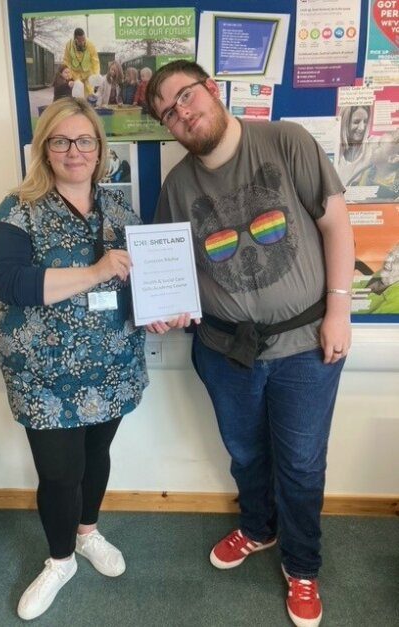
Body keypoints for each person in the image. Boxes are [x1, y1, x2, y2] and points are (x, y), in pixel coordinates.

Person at [145, 61, 354, 627]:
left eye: (185, 96)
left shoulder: (285, 142)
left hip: (305, 346)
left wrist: (340, 310)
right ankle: (259, 530)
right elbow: (173, 269)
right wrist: (164, 310)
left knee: (303, 464)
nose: (181, 112)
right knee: (246, 454)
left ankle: (303, 565)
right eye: (168, 111)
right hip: (223, 351)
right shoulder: (178, 185)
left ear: (211, 89)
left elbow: (337, 224)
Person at [0, 97, 148, 621]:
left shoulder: (120, 209)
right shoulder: (18, 207)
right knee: (60, 473)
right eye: (61, 140)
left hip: (112, 365)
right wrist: (97, 272)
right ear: (44, 149)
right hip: (45, 373)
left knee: (95, 458)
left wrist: (161, 308)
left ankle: (87, 534)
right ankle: (60, 561)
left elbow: (141, 280)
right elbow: (9, 283)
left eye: (85, 140)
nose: (74, 151)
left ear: (100, 149)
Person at [348, 129, 399, 201]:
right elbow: (359, 198)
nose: (373, 147)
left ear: (393, 159)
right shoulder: (368, 173)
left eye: (379, 145)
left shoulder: (396, 181)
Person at [338, 105, 372, 185]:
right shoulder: (335, 151)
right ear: (345, 122)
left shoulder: (372, 150)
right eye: (356, 122)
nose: (362, 128)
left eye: (365, 122)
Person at [63, 28, 100, 98]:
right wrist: (69, 76)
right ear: (75, 40)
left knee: (90, 94)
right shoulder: (69, 45)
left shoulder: (90, 45)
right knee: (77, 94)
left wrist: (96, 75)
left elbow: (95, 62)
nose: (83, 42)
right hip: (75, 74)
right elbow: (66, 61)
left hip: (88, 74)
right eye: (80, 41)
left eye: (84, 39)